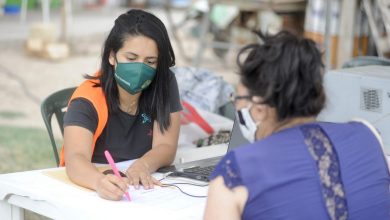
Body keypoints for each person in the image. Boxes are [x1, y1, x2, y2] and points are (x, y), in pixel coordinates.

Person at [204, 31, 390, 219]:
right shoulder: (367, 136)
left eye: (238, 98)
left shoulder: (235, 171)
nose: (236, 105)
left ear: (259, 106)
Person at [62, 9, 182, 201]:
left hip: (144, 191)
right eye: (131, 58)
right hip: (93, 192)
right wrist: (99, 182)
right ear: (112, 56)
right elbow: (75, 159)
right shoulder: (87, 99)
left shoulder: (163, 82)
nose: (140, 68)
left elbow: (166, 145)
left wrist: (144, 165)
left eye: (150, 61)